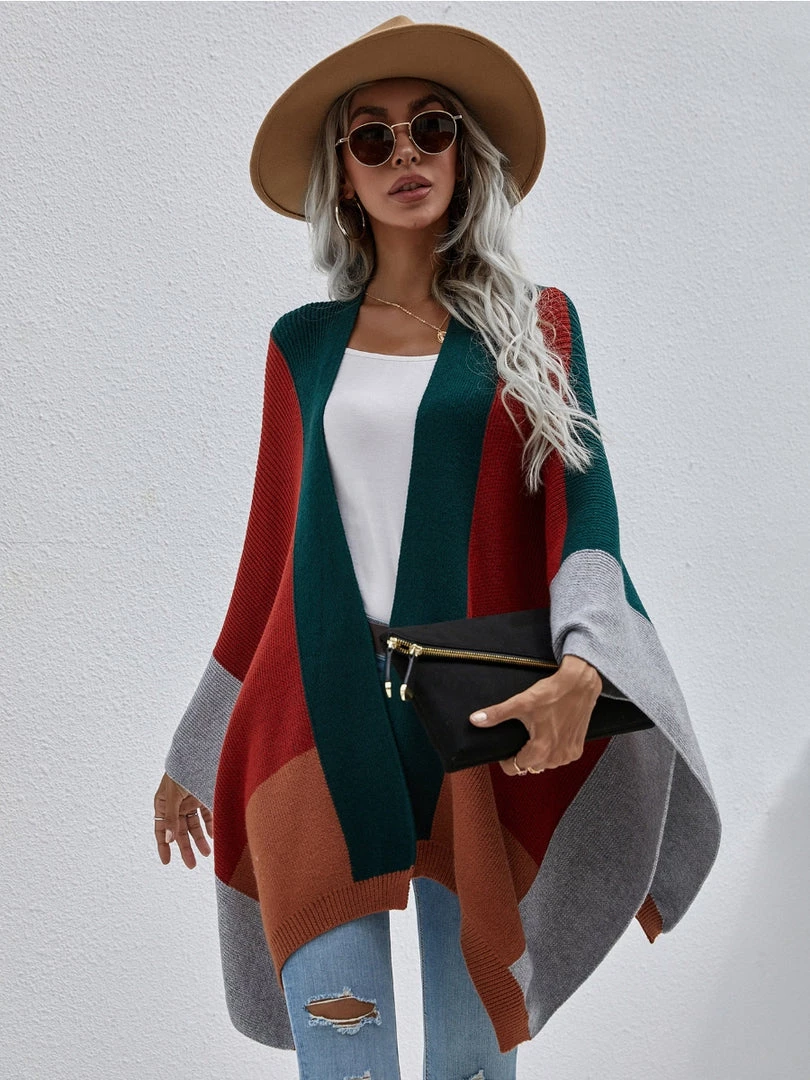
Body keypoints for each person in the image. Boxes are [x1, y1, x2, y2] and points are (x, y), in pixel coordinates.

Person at [153, 15, 721, 1080]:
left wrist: (586, 665)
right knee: (345, 1056)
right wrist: (196, 745)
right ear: (344, 174)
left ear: (466, 154)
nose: (405, 153)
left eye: (432, 127)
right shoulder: (302, 347)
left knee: (470, 1062)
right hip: (318, 720)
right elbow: (270, 558)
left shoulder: (537, 327)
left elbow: (587, 516)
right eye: (373, 138)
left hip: (473, 727)